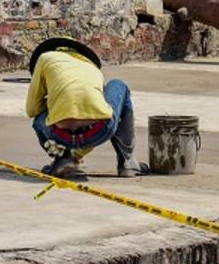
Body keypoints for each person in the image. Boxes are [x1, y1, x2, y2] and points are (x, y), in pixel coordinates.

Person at [25, 37, 147, 176]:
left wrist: (53, 102)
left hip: (58, 134)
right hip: (100, 131)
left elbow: (32, 109)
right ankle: (128, 162)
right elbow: (92, 112)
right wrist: (79, 152)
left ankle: (64, 157)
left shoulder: (45, 58)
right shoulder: (92, 67)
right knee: (118, 86)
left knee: (39, 119)